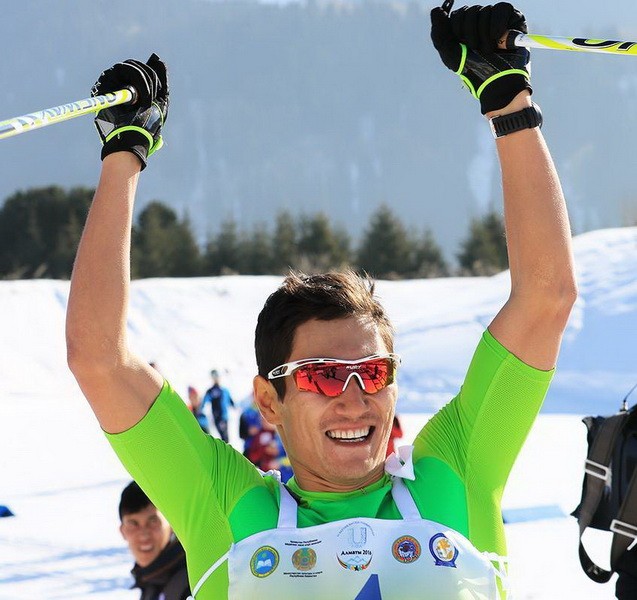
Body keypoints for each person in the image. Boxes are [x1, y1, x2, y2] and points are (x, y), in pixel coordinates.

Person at [66, 4, 577, 598]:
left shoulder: (454, 473)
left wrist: (510, 103)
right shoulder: (228, 509)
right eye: (324, 376)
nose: (355, 399)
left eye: (374, 372)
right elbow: (98, 358)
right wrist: (124, 152)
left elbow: (547, 297)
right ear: (269, 400)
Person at [118, 481, 190, 600]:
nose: (143, 535)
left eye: (153, 521)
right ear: (122, 531)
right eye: (133, 524)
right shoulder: (152, 582)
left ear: (172, 526)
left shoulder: (191, 582)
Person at [201, 369, 235, 443]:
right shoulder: (211, 391)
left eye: (217, 376)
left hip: (225, 417)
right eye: (214, 376)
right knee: (224, 438)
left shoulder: (224, 390)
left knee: (226, 438)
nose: (216, 378)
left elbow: (231, 402)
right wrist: (200, 411)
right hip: (217, 418)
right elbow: (203, 403)